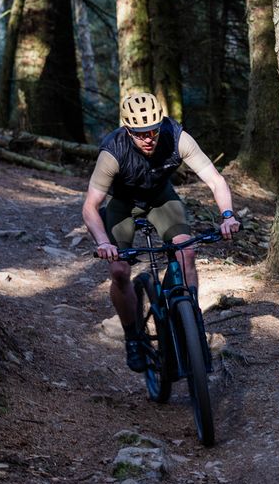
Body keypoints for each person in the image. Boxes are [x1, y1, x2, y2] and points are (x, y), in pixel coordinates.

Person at [82, 92, 241, 371]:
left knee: (186, 251)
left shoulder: (177, 137)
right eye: (140, 133)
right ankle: (133, 337)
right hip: (124, 205)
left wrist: (227, 215)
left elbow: (216, 181)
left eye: (153, 131)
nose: (148, 138)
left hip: (161, 198)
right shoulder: (113, 151)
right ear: (128, 130)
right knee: (119, 271)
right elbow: (90, 206)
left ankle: (191, 320)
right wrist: (104, 242)